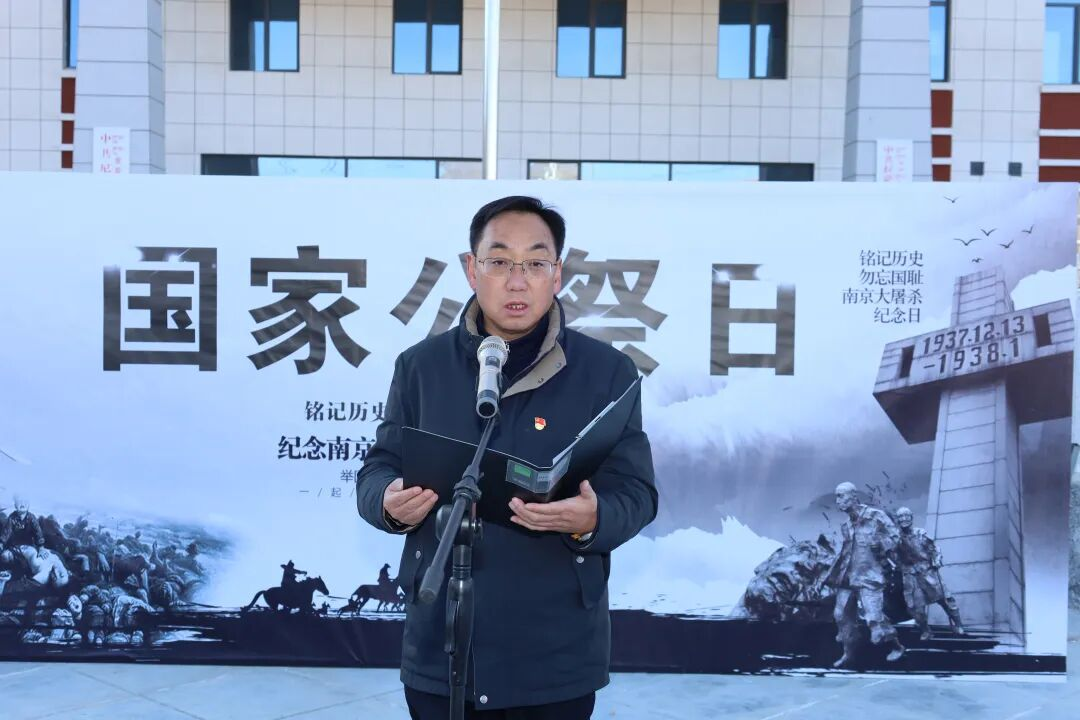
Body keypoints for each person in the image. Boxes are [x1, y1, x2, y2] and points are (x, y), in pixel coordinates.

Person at [357, 195, 657, 719]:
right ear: (471, 270)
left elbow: (637, 493)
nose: (517, 282)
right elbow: (378, 468)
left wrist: (593, 518)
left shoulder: (607, 373)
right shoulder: (421, 367)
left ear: (557, 274)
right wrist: (387, 501)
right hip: (441, 645)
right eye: (499, 261)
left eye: (535, 263)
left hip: (555, 655)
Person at [824, 482, 905, 667]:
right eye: (836, 497)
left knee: (874, 618)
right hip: (848, 576)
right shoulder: (846, 525)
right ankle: (848, 653)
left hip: (869, 575)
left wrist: (882, 544)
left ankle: (896, 646)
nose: (838, 501)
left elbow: (896, 537)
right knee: (841, 615)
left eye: (841, 496)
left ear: (854, 496)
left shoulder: (875, 516)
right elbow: (846, 552)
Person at [894, 506, 964, 640]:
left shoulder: (920, 533)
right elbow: (893, 557)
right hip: (910, 576)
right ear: (897, 520)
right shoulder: (895, 538)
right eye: (900, 517)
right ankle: (926, 630)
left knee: (945, 599)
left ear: (911, 518)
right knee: (915, 607)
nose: (904, 519)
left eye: (906, 516)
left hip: (927, 572)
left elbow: (935, 550)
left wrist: (937, 560)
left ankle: (958, 625)